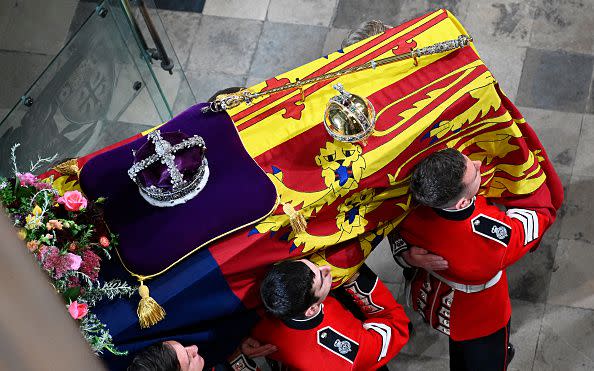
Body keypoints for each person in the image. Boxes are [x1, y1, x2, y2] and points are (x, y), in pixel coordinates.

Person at [391, 148, 562, 371]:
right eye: (474, 171)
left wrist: (407, 256)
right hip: (481, 317)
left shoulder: (412, 211)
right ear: (462, 203)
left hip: (434, 291)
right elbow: (536, 216)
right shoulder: (491, 239)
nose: (478, 164)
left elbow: (392, 231)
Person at [249, 259, 410, 370]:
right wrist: (355, 276)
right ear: (311, 310)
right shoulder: (347, 352)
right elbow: (397, 325)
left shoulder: (257, 325)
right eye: (322, 276)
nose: (325, 268)